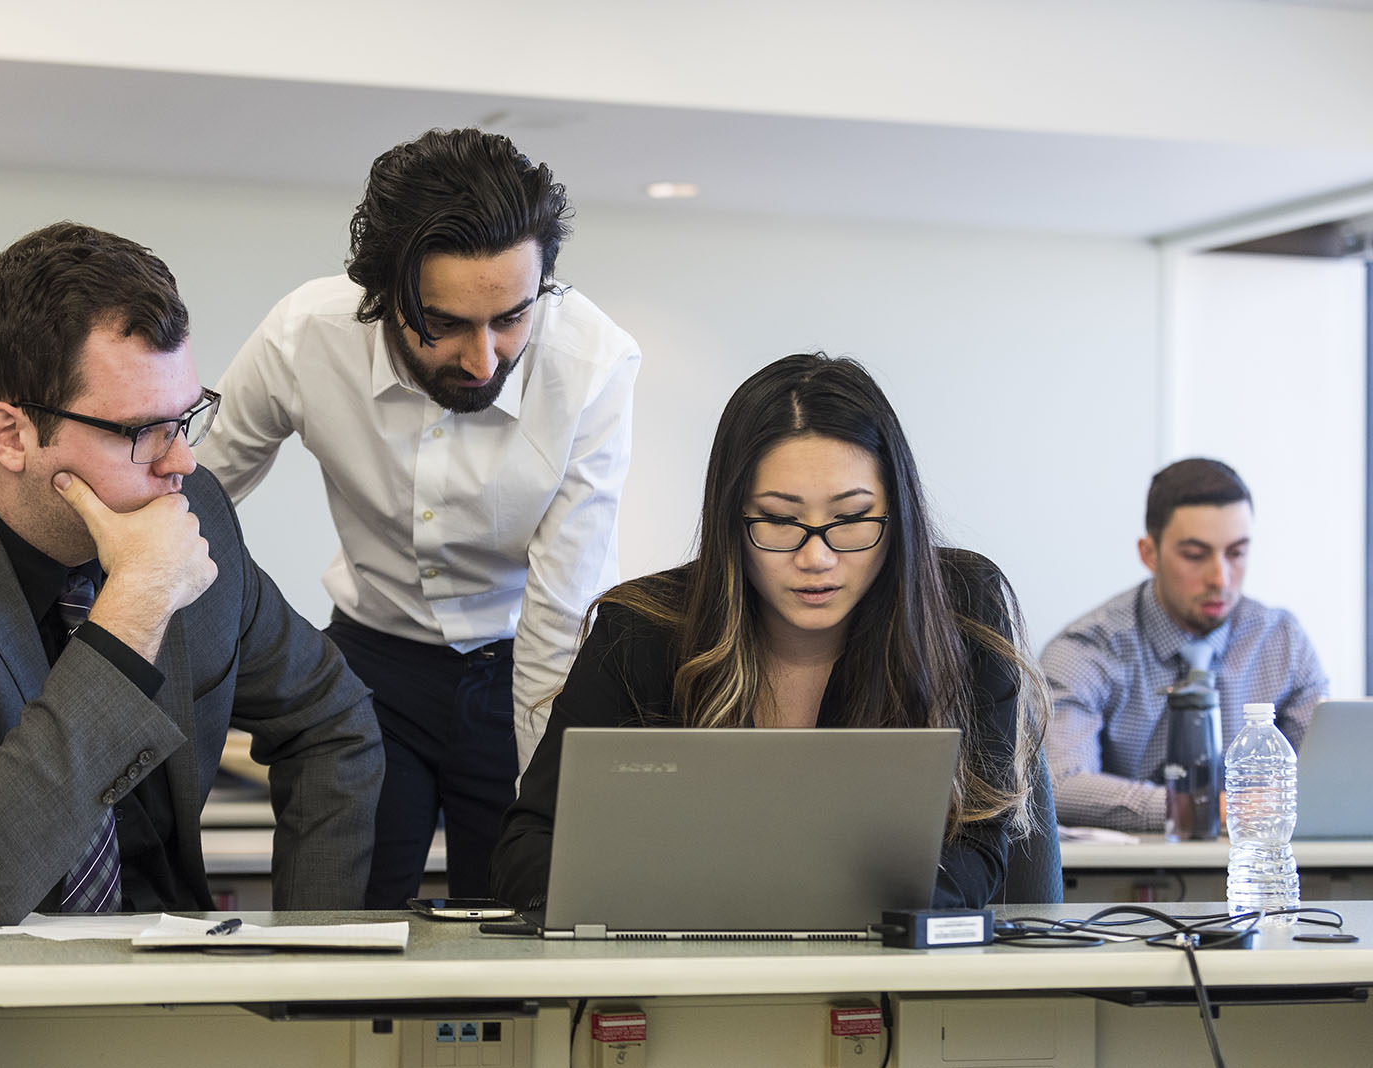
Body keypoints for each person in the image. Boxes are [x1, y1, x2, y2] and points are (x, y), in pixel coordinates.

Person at [0, 222, 383, 924]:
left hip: (164, 957)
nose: (181, 462)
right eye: (141, 431)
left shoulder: (191, 512)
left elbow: (332, 720)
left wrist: (310, 949)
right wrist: (136, 606)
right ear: (10, 436)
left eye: (186, 418)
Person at [198, 128, 641, 907]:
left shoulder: (593, 364)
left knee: (516, 918)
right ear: (381, 295)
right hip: (369, 664)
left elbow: (563, 603)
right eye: (446, 323)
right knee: (340, 919)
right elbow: (195, 496)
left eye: (511, 318)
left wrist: (547, 809)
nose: (483, 359)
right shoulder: (305, 337)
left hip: (524, 666)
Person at [490, 354, 1046, 911]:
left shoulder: (961, 608)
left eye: (852, 519)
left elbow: (974, 854)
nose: (816, 557)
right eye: (779, 520)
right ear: (730, 519)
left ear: (897, 514)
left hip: (885, 958)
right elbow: (528, 852)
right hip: (683, 957)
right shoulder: (640, 629)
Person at [1043, 458, 1328, 831]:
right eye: (1195, 555)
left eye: (1236, 553)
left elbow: (1329, 779)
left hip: (1254, 858)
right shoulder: (1087, 650)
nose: (1220, 579)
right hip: (1131, 864)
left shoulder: (1283, 642)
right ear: (1149, 554)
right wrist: (1198, 809)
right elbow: (1059, 784)